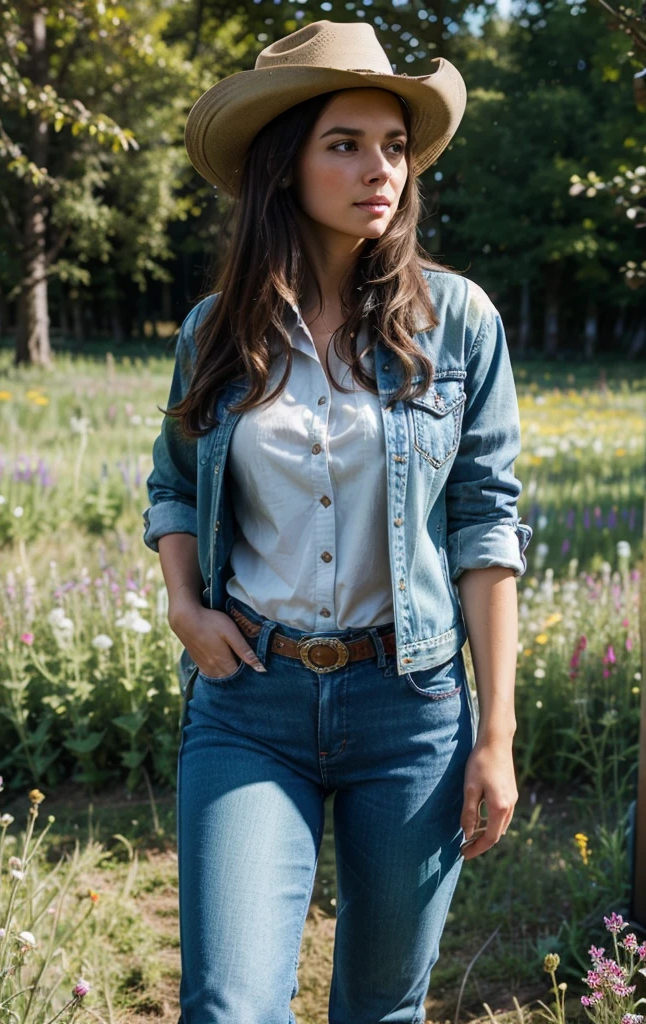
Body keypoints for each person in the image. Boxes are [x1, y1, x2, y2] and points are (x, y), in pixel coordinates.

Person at [143, 19, 534, 1024]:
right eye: (345, 143)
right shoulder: (214, 329)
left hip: (409, 709)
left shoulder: (459, 322)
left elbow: (487, 527)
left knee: (378, 1006)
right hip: (248, 703)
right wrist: (185, 605)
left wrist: (494, 732)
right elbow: (176, 484)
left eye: (394, 146)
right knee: (228, 1005)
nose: (381, 170)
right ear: (283, 166)